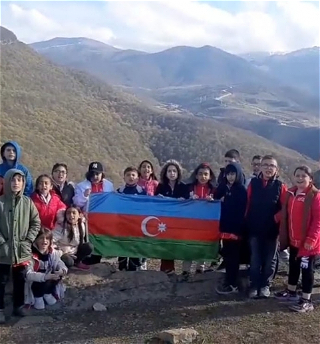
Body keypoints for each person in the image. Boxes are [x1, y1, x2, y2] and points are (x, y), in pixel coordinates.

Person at [276, 166, 320, 313]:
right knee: (293, 266)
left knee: (307, 271)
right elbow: (285, 213)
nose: (300, 178)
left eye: (303, 176)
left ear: (310, 179)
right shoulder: (291, 193)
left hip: (308, 243)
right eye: (298, 175)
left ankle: (307, 300)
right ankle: (291, 291)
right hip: (294, 240)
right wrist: (273, 219)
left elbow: (318, 221)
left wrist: (311, 239)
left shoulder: (315, 196)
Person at [0, 169, 40, 324]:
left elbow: (36, 222)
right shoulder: (1, 202)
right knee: (1, 281)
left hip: (21, 251)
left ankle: (18, 306)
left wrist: (28, 240)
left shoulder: (27, 202)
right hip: (2, 251)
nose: (16, 183)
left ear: (23, 183)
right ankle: (1, 310)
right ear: (7, 181)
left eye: (19, 180)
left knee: (20, 279)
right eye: (13, 180)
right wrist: (2, 242)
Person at [246, 155, 287, 298]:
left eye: (272, 165)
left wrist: (276, 219)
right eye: (266, 165)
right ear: (260, 167)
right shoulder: (253, 184)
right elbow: (247, 204)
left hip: (272, 230)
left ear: (276, 169)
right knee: (255, 259)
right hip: (254, 228)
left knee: (270, 259)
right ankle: (254, 285)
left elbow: (285, 208)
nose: (269, 168)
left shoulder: (280, 186)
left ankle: (265, 285)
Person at [215, 163, 247, 294]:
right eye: (228, 174)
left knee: (233, 258)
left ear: (238, 174)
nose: (230, 177)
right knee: (228, 256)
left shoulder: (241, 190)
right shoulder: (225, 187)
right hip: (225, 229)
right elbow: (216, 197)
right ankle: (229, 281)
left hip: (236, 230)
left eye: (233, 174)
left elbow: (240, 211)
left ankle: (232, 284)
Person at [155, 160, 189, 274]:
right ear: (165, 173)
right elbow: (155, 202)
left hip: (180, 220)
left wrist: (183, 201)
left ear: (178, 173)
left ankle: (185, 270)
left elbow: (189, 202)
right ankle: (167, 268)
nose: (172, 173)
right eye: (169, 171)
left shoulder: (184, 187)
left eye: (174, 171)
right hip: (165, 220)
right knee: (166, 243)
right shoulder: (161, 187)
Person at [182, 162, 216, 276]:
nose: (203, 176)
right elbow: (182, 202)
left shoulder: (213, 190)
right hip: (190, 223)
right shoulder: (189, 188)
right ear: (196, 175)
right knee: (189, 245)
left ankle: (200, 268)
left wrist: (212, 202)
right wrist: (189, 199)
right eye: (200, 174)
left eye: (206, 174)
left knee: (203, 245)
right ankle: (186, 270)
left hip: (206, 224)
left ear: (210, 176)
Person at [25, 228, 68, 310]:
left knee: (57, 275)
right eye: (41, 238)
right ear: (36, 240)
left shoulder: (53, 252)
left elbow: (59, 263)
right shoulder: (30, 254)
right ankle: (38, 296)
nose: (44, 241)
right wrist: (45, 277)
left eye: (47, 238)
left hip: (48, 280)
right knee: (40, 305)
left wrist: (62, 270)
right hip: (34, 283)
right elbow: (28, 274)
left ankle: (47, 293)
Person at [117, 167, 147, 271]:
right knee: (123, 244)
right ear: (124, 177)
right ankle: (122, 266)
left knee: (134, 244)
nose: (131, 177)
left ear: (138, 178)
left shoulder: (142, 192)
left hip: (136, 224)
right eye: (128, 175)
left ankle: (134, 266)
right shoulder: (119, 191)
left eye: (133, 175)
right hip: (123, 224)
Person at [53, 206, 93, 271]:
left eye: (74, 213)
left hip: (75, 250)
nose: (71, 215)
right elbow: (51, 240)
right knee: (69, 262)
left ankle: (78, 262)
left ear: (79, 215)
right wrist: (60, 250)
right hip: (64, 252)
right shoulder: (61, 227)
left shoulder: (81, 225)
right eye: (68, 213)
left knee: (89, 246)